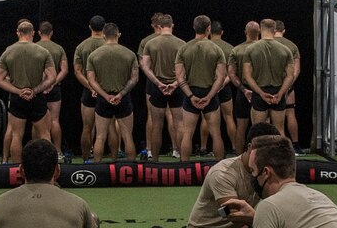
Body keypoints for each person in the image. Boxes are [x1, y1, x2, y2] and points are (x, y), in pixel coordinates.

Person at [0, 19, 57, 163]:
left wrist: (18, 92)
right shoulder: (43, 51)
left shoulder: (8, 51)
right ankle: (48, 169)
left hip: (18, 100)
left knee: (16, 136)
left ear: (18, 33)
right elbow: (52, 77)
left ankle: (17, 172)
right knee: (44, 134)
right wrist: (35, 91)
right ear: (33, 33)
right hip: (37, 98)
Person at [174, 14, 229, 161]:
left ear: (194, 27)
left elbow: (179, 78)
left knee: (187, 133)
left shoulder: (184, 49)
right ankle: (220, 169)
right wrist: (210, 96)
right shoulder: (217, 50)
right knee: (216, 133)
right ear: (209, 29)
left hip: (191, 92)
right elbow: (221, 77)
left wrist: (191, 96)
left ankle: (184, 168)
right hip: (209, 93)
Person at [86, 23, 140, 160]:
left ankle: (97, 172)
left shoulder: (94, 55)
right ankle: (131, 172)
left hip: (103, 99)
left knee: (100, 137)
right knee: (128, 136)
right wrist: (121, 94)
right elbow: (134, 79)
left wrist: (105, 96)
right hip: (124, 99)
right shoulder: (130, 54)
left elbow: (91, 80)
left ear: (103, 36)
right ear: (118, 35)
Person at [137, 13, 186, 160]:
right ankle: (182, 158)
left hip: (155, 87)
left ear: (157, 26)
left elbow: (144, 67)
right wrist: (175, 83)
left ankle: (155, 161)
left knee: (156, 124)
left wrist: (158, 83)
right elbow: (185, 69)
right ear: (172, 26)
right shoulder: (182, 44)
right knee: (179, 123)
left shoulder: (149, 43)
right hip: (177, 87)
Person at [243, 20, 298, 140]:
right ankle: (283, 157)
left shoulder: (250, 49)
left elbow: (247, 76)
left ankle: (258, 158)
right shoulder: (285, 50)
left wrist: (261, 93)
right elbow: (290, 75)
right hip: (278, 91)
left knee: (257, 132)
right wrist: (280, 93)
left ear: (260, 30)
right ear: (274, 30)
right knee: (279, 130)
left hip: (259, 92)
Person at [72, 16, 108, 161]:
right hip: (107, 91)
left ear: (90, 27)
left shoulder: (81, 46)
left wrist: (91, 87)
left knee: (87, 128)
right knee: (110, 128)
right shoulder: (109, 44)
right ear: (104, 27)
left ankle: (86, 159)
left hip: (89, 91)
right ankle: (113, 159)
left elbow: (77, 71)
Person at [226, 21, 263, 153]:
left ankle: (238, 157)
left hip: (244, 91)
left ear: (245, 32)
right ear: (259, 32)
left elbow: (231, 74)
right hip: (261, 91)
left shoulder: (236, 50)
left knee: (241, 127)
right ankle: (260, 156)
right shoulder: (264, 49)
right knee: (261, 127)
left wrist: (243, 89)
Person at [270, 20, 305, 148]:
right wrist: (288, 85)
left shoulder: (267, 44)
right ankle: (295, 145)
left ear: (272, 30)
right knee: (290, 114)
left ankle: (271, 145)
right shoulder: (292, 46)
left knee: (269, 117)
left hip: (270, 86)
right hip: (289, 86)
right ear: (283, 31)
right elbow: (297, 69)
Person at [208, 19, 239, 150]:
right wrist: (223, 83)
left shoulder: (205, 46)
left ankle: (203, 148)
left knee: (206, 119)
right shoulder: (230, 48)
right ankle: (234, 147)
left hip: (208, 87)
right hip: (225, 86)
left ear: (209, 32)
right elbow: (232, 72)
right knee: (229, 117)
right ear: (222, 32)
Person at [36, 20, 67, 147]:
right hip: (54, 89)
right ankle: (58, 151)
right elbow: (64, 70)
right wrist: (52, 83)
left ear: (38, 33)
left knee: (36, 121)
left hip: (37, 89)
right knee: (54, 120)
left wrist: (42, 85)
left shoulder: (34, 47)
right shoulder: (58, 48)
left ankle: (36, 150)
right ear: (51, 33)